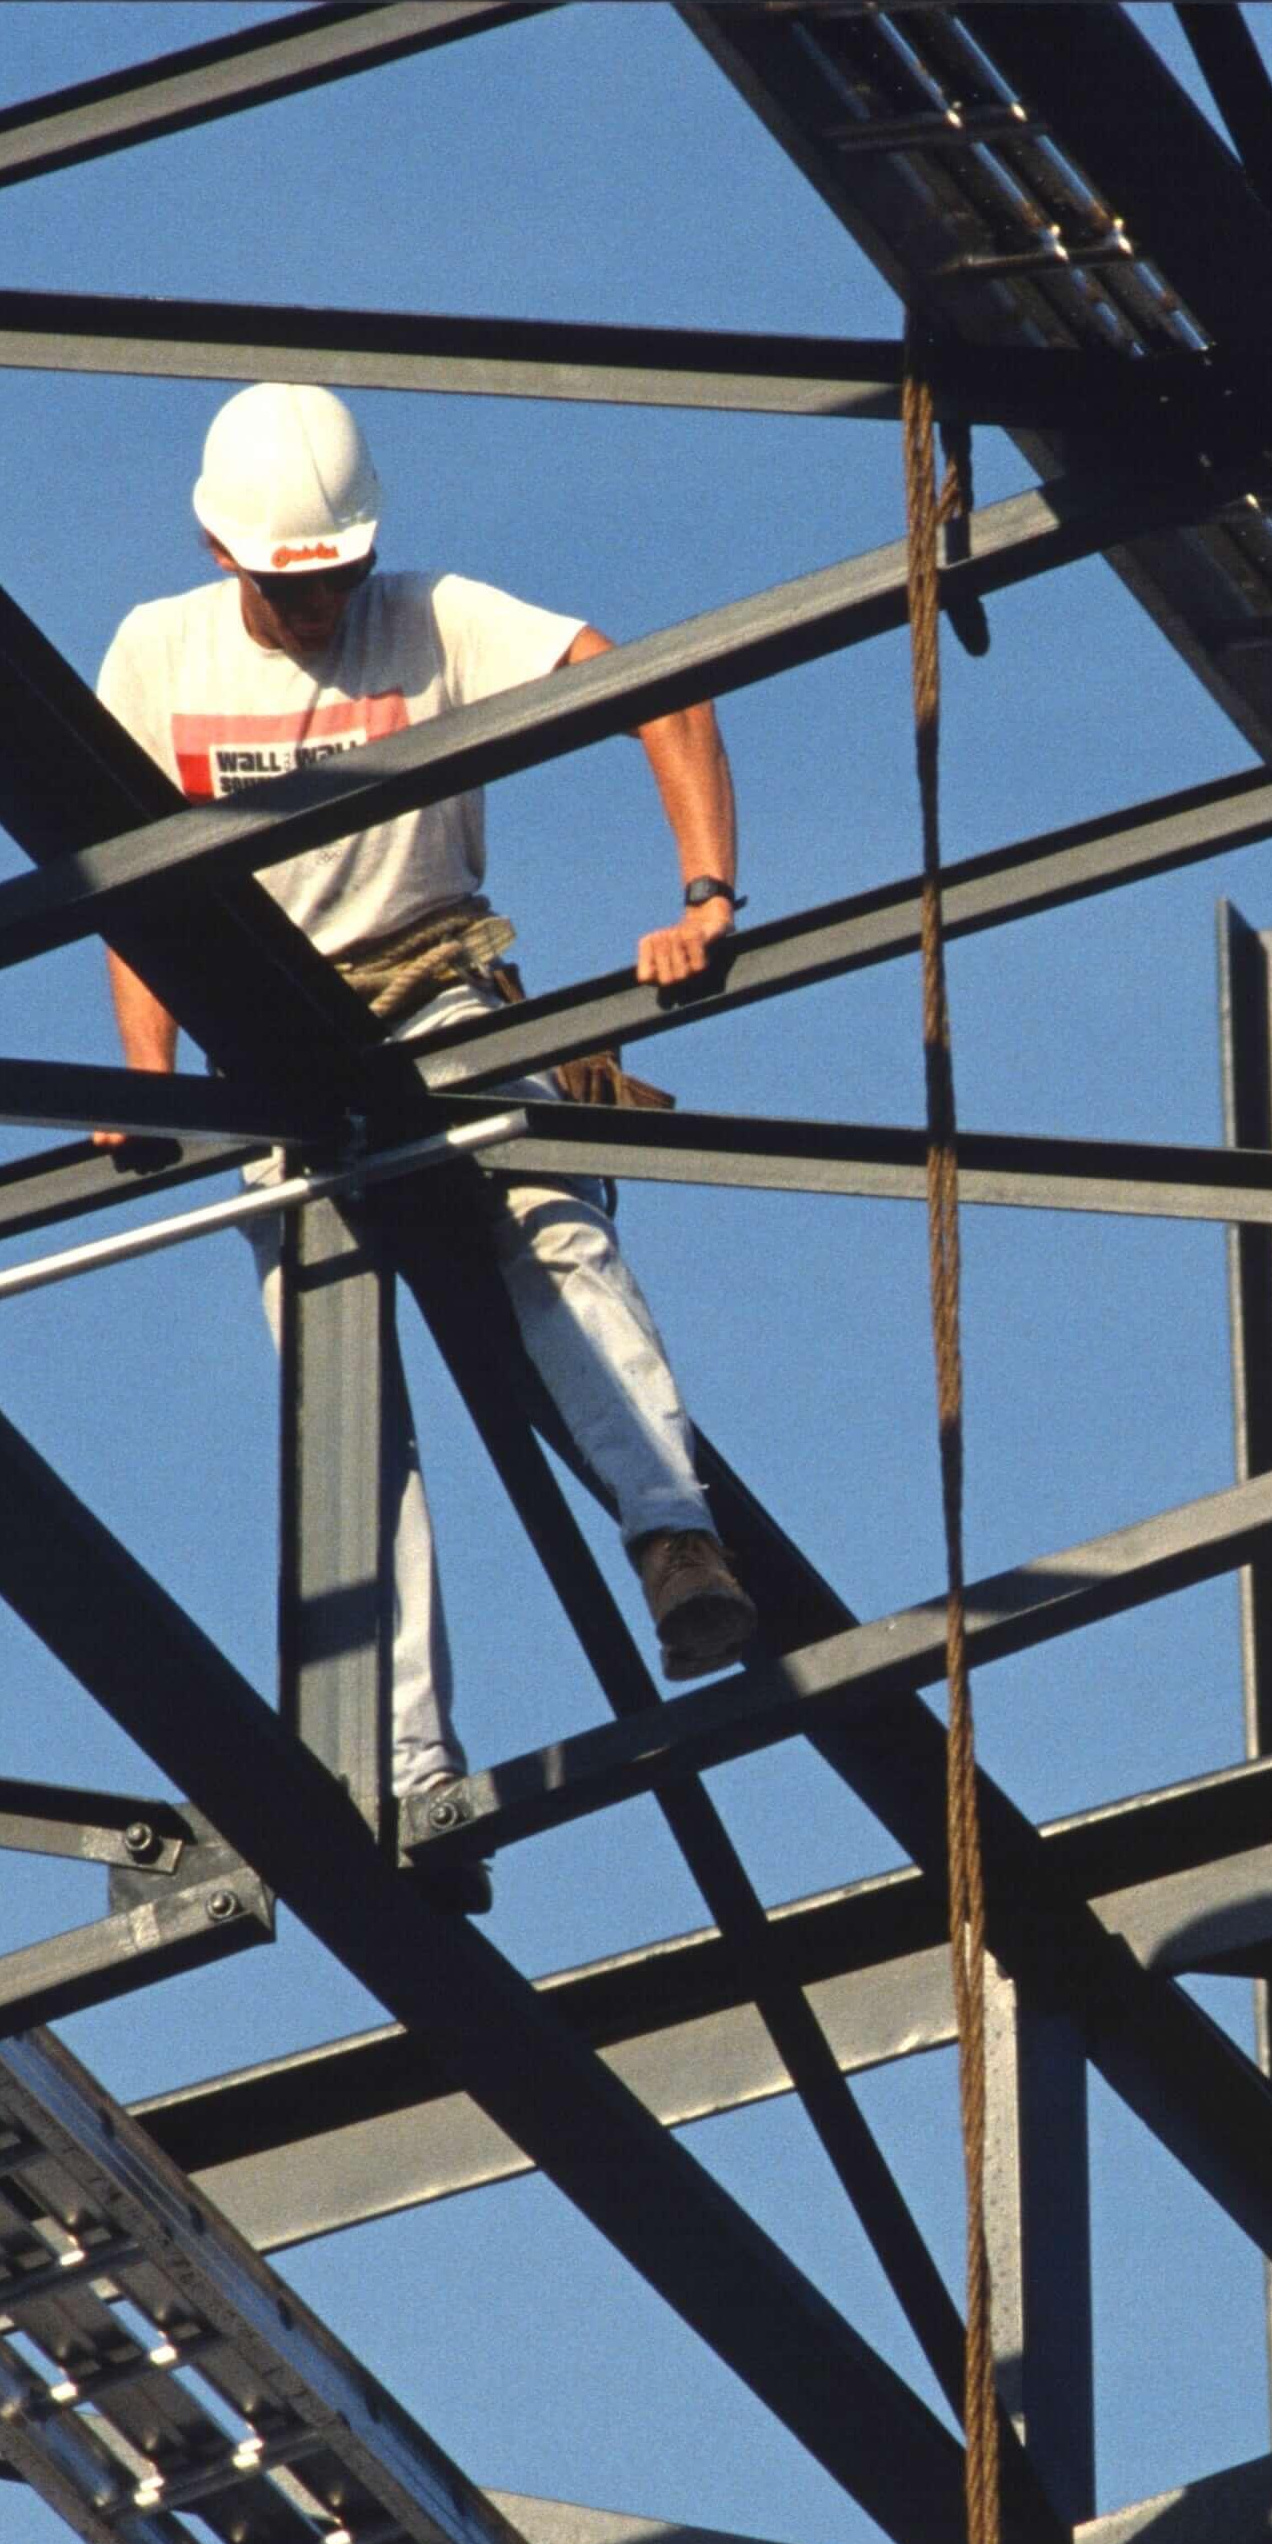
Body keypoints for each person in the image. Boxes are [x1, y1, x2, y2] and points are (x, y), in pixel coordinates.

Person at [93, 380, 754, 1904]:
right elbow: (127, 880)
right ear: (220, 547)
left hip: (438, 989)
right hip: (270, 1057)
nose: (315, 604)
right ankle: (406, 1777)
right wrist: (149, 1073)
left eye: (331, 577)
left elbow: (658, 685)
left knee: (555, 1237)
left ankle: (676, 1547)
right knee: (346, 1408)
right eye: (287, 579)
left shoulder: (444, 620)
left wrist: (706, 895)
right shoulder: (158, 658)